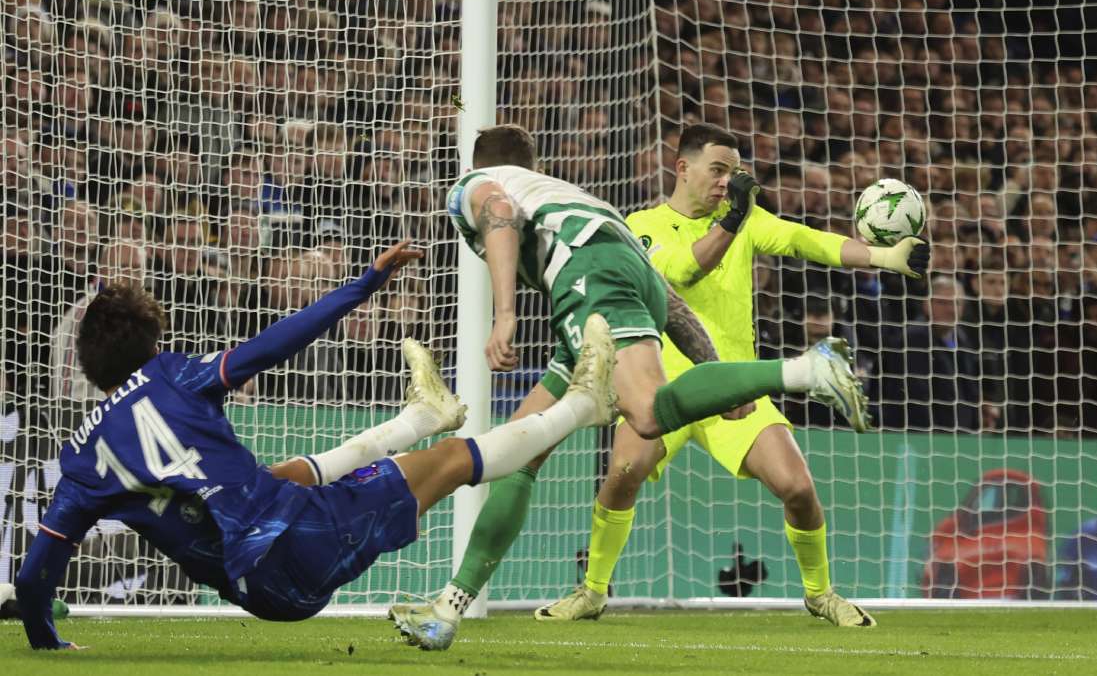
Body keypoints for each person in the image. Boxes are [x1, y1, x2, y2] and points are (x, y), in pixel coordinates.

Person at [394, 124, 879, 650]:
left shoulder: (478, 183)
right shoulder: (563, 193)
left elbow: (500, 216)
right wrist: (728, 385)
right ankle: (449, 608)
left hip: (586, 276)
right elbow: (672, 307)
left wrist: (505, 315)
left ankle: (806, 370)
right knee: (520, 449)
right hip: (616, 270)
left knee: (646, 415)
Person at [15, 239, 619, 650]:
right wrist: (365, 284)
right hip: (299, 550)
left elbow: (38, 571)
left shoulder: (80, 457)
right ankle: (583, 405)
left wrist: (45, 639)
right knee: (456, 460)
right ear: (151, 340)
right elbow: (277, 342)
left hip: (253, 590)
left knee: (274, 480)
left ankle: (420, 415)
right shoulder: (175, 374)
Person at [534, 123, 929, 627]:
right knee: (621, 477)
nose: (727, 182)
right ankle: (591, 591)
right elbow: (681, 271)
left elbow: (808, 241)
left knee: (799, 488)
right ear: (683, 168)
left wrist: (884, 256)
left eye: (734, 173)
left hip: (734, 386)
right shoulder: (640, 226)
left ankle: (820, 593)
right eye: (718, 170)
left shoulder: (743, 220)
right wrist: (736, 219)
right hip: (663, 389)